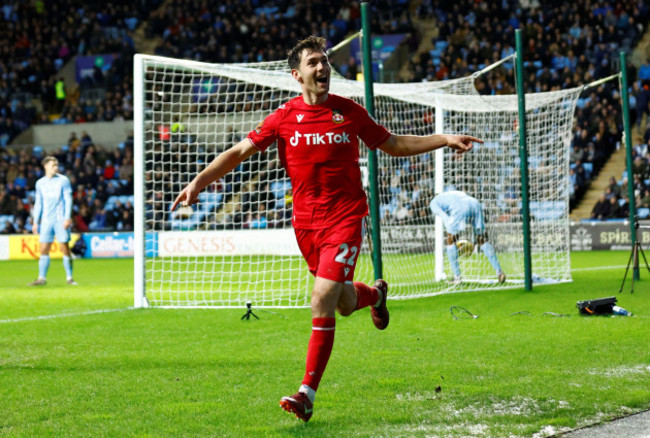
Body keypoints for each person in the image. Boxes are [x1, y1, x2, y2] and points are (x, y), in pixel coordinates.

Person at [171, 36, 480, 422]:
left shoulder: (349, 112)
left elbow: (393, 143)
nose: (323, 69)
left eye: (325, 62)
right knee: (345, 303)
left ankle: (306, 394)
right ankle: (376, 296)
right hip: (306, 226)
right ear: (296, 74)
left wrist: (443, 138)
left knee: (320, 298)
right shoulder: (283, 117)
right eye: (314, 63)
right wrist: (199, 182)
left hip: (346, 218)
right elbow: (237, 152)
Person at [429, 190, 505, 284]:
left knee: (450, 241)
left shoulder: (433, 203)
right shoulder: (450, 193)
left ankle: (457, 277)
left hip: (459, 207)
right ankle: (500, 272)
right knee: (482, 239)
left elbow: (445, 217)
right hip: (474, 203)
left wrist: (451, 233)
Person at [28, 156, 76, 286]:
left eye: (57, 165)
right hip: (46, 220)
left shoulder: (63, 180)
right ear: (46, 166)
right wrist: (35, 221)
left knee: (64, 247)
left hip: (60, 219)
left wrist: (67, 217)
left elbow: (68, 199)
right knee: (43, 249)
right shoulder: (40, 183)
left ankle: (69, 277)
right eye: (53, 165)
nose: (56, 167)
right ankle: (41, 278)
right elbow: (38, 203)